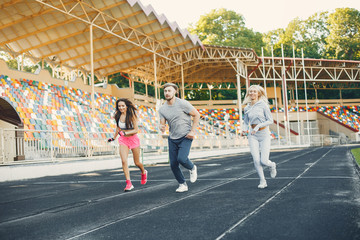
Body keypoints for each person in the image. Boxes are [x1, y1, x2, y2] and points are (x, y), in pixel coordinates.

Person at [159, 83, 200, 192]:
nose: (167, 93)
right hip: (172, 138)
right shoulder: (162, 109)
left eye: (169, 91)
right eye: (165, 91)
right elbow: (162, 124)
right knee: (173, 164)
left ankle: (192, 167)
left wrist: (192, 131)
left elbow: (196, 115)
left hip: (185, 136)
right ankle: (182, 184)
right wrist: (161, 127)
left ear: (175, 92)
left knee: (181, 159)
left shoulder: (183, 103)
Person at [108, 98, 148, 192]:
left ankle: (143, 171)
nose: (121, 107)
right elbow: (118, 128)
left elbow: (136, 130)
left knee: (137, 162)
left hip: (133, 139)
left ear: (126, 106)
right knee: (124, 161)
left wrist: (125, 133)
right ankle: (129, 183)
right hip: (123, 140)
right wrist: (113, 138)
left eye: (123, 106)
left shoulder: (132, 116)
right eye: (119, 106)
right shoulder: (117, 115)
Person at [242, 85, 277, 189]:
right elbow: (246, 122)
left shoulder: (263, 105)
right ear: (248, 94)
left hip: (264, 134)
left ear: (258, 94)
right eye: (250, 91)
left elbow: (270, 120)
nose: (252, 93)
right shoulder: (247, 108)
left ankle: (272, 165)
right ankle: (263, 181)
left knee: (264, 161)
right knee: (256, 160)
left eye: (254, 91)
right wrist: (244, 129)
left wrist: (258, 126)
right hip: (253, 135)